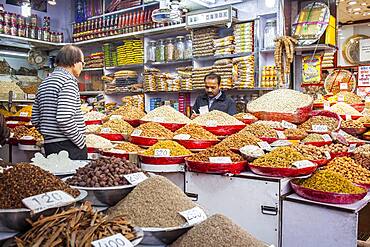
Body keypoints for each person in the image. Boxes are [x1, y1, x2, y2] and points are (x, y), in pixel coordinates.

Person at [32, 45, 87, 160]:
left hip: (50, 146)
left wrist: (49, 135)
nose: (82, 67)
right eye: (82, 63)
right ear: (74, 62)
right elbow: (64, 118)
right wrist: (81, 141)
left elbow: (35, 119)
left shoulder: (44, 83)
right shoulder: (68, 82)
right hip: (69, 147)